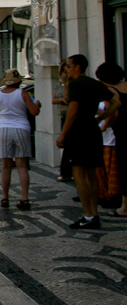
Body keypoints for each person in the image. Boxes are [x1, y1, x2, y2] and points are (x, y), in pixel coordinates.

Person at [57, 54, 121, 228]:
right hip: (93, 130)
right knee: (91, 174)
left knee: (79, 174)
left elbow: (73, 110)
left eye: (68, 66)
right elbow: (116, 102)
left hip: (78, 131)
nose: (66, 69)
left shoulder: (76, 84)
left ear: (78, 67)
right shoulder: (95, 83)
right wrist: (101, 119)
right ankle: (94, 213)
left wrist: (63, 134)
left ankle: (88, 215)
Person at [0, 69, 40, 209]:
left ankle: (5, 197)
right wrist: (38, 105)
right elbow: (34, 112)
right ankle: (24, 198)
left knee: (6, 165)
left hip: (3, 128)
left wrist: (2, 121)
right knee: (22, 165)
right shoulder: (23, 94)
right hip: (21, 128)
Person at [104, 63, 127, 218]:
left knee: (125, 169)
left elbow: (113, 114)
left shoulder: (112, 91)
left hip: (123, 132)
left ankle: (124, 207)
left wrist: (102, 125)